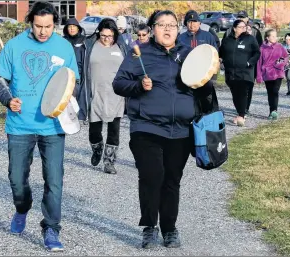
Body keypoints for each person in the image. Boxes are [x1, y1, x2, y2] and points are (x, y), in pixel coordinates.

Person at [112, 10, 214, 249]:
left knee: (171, 180)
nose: (167, 29)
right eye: (162, 25)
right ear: (152, 29)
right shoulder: (139, 54)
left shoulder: (188, 55)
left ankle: (169, 228)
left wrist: (204, 79)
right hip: (146, 128)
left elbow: (205, 90)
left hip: (181, 130)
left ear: (177, 29)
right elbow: (118, 84)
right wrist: (138, 85)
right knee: (152, 175)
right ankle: (149, 227)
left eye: (172, 25)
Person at [0, 1, 79, 251]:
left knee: (54, 180)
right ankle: (22, 208)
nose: (43, 31)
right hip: (20, 126)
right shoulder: (15, 45)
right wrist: (8, 100)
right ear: (30, 22)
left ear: (55, 24)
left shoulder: (64, 47)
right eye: (39, 26)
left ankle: (51, 228)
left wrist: (65, 102)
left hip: (52, 127)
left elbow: (74, 81)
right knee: (17, 180)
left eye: (49, 26)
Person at [78, 18, 129, 174]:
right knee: (94, 131)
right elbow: (80, 66)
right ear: (98, 32)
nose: (107, 39)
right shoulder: (89, 45)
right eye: (104, 35)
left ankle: (109, 162)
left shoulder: (122, 47)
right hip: (95, 93)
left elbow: (129, 68)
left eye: (110, 36)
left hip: (116, 95)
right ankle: (97, 148)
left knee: (114, 130)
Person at [219, 19, 260, 126]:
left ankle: (241, 115)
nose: (243, 29)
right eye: (240, 27)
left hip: (245, 72)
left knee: (242, 92)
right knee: (235, 94)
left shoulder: (250, 39)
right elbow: (220, 52)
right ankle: (240, 113)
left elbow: (257, 53)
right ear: (234, 28)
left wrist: (249, 63)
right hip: (230, 73)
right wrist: (220, 59)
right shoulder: (227, 40)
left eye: (244, 27)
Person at [256, 29, 289, 120]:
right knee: (270, 93)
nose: (275, 38)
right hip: (267, 74)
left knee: (275, 91)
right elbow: (259, 63)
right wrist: (258, 76)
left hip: (278, 72)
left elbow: (286, 57)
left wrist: (280, 63)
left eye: (276, 36)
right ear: (267, 37)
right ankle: (271, 111)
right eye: (273, 36)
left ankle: (274, 111)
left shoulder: (280, 46)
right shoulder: (262, 48)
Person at [63, 18, 86, 89]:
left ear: (78, 28)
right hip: (66, 73)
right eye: (69, 27)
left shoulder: (84, 40)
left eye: (74, 26)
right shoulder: (63, 41)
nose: (72, 29)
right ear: (66, 29)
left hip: (80, 72)